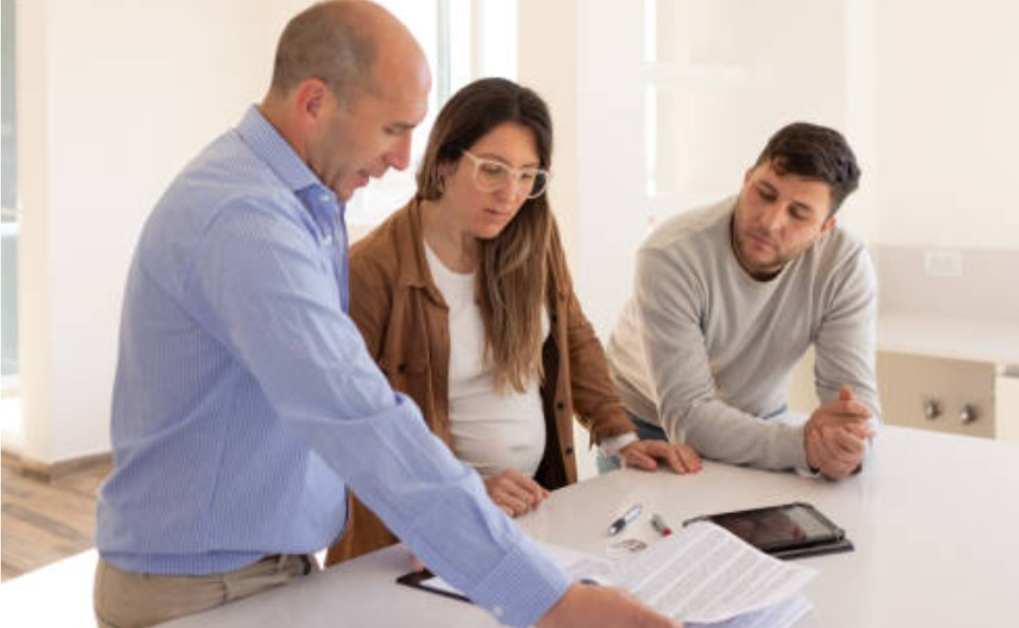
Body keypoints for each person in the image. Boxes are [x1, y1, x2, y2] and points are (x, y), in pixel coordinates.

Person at [92, 2, 679, 627]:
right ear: (315, 102)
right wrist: (549, 600)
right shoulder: (248, 222)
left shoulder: (304, 204)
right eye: (392, 129)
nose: (404, 159)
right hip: (206, 588)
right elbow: (362, 417)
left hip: (267, 568)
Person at [324, 77, 700, 564]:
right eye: (492, 170)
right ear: (444, 163)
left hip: (535, 507)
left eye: (528, 176)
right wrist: (466, 488)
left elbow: (573, 335)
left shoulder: (532, 237)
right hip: (424, 530)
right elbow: (354, 426)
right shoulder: (372, 270)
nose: (510, 194)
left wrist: (622, 438)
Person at [605, 122, 879, 480]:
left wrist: (849, 449)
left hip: (760, 417)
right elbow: (688, 414)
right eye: (764, 193)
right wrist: (805, 447)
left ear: (824, 227)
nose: (770, 221)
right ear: (746, 178)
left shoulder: (844, 264)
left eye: (798, 213)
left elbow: (855, 400)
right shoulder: (670, 253)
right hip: (651, 425)